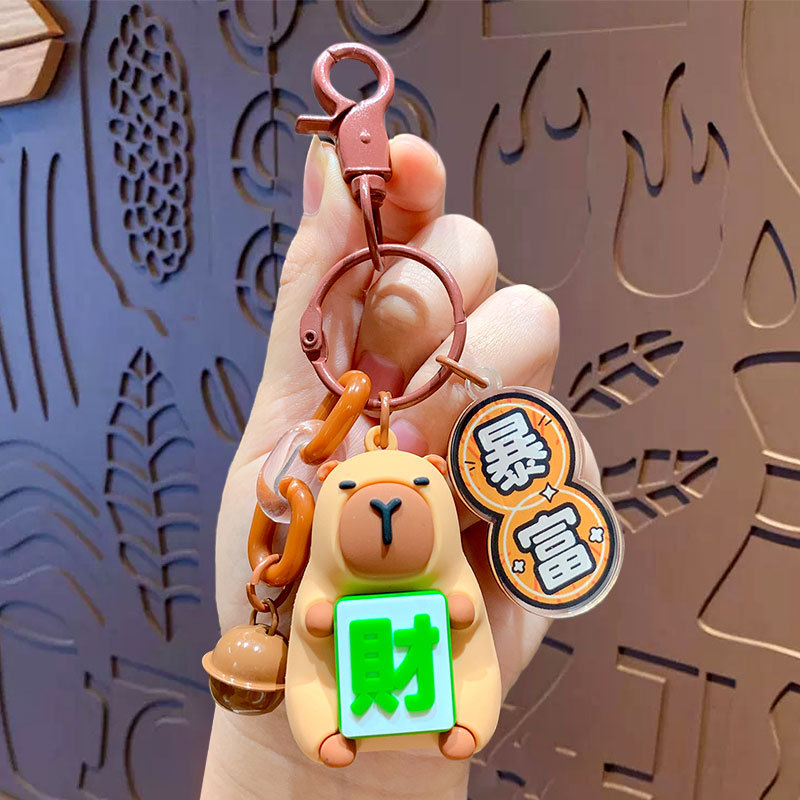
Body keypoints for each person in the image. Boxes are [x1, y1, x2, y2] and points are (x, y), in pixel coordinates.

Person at [201, 133, 600, 799]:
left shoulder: (445, 577)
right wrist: (277, 761)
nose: (386, 506)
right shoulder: (317, 569)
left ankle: (452, 721)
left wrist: (462, 611)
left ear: (440, 477)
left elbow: (463, 620)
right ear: (325, 488)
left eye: (418, 485)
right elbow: (321, 623)